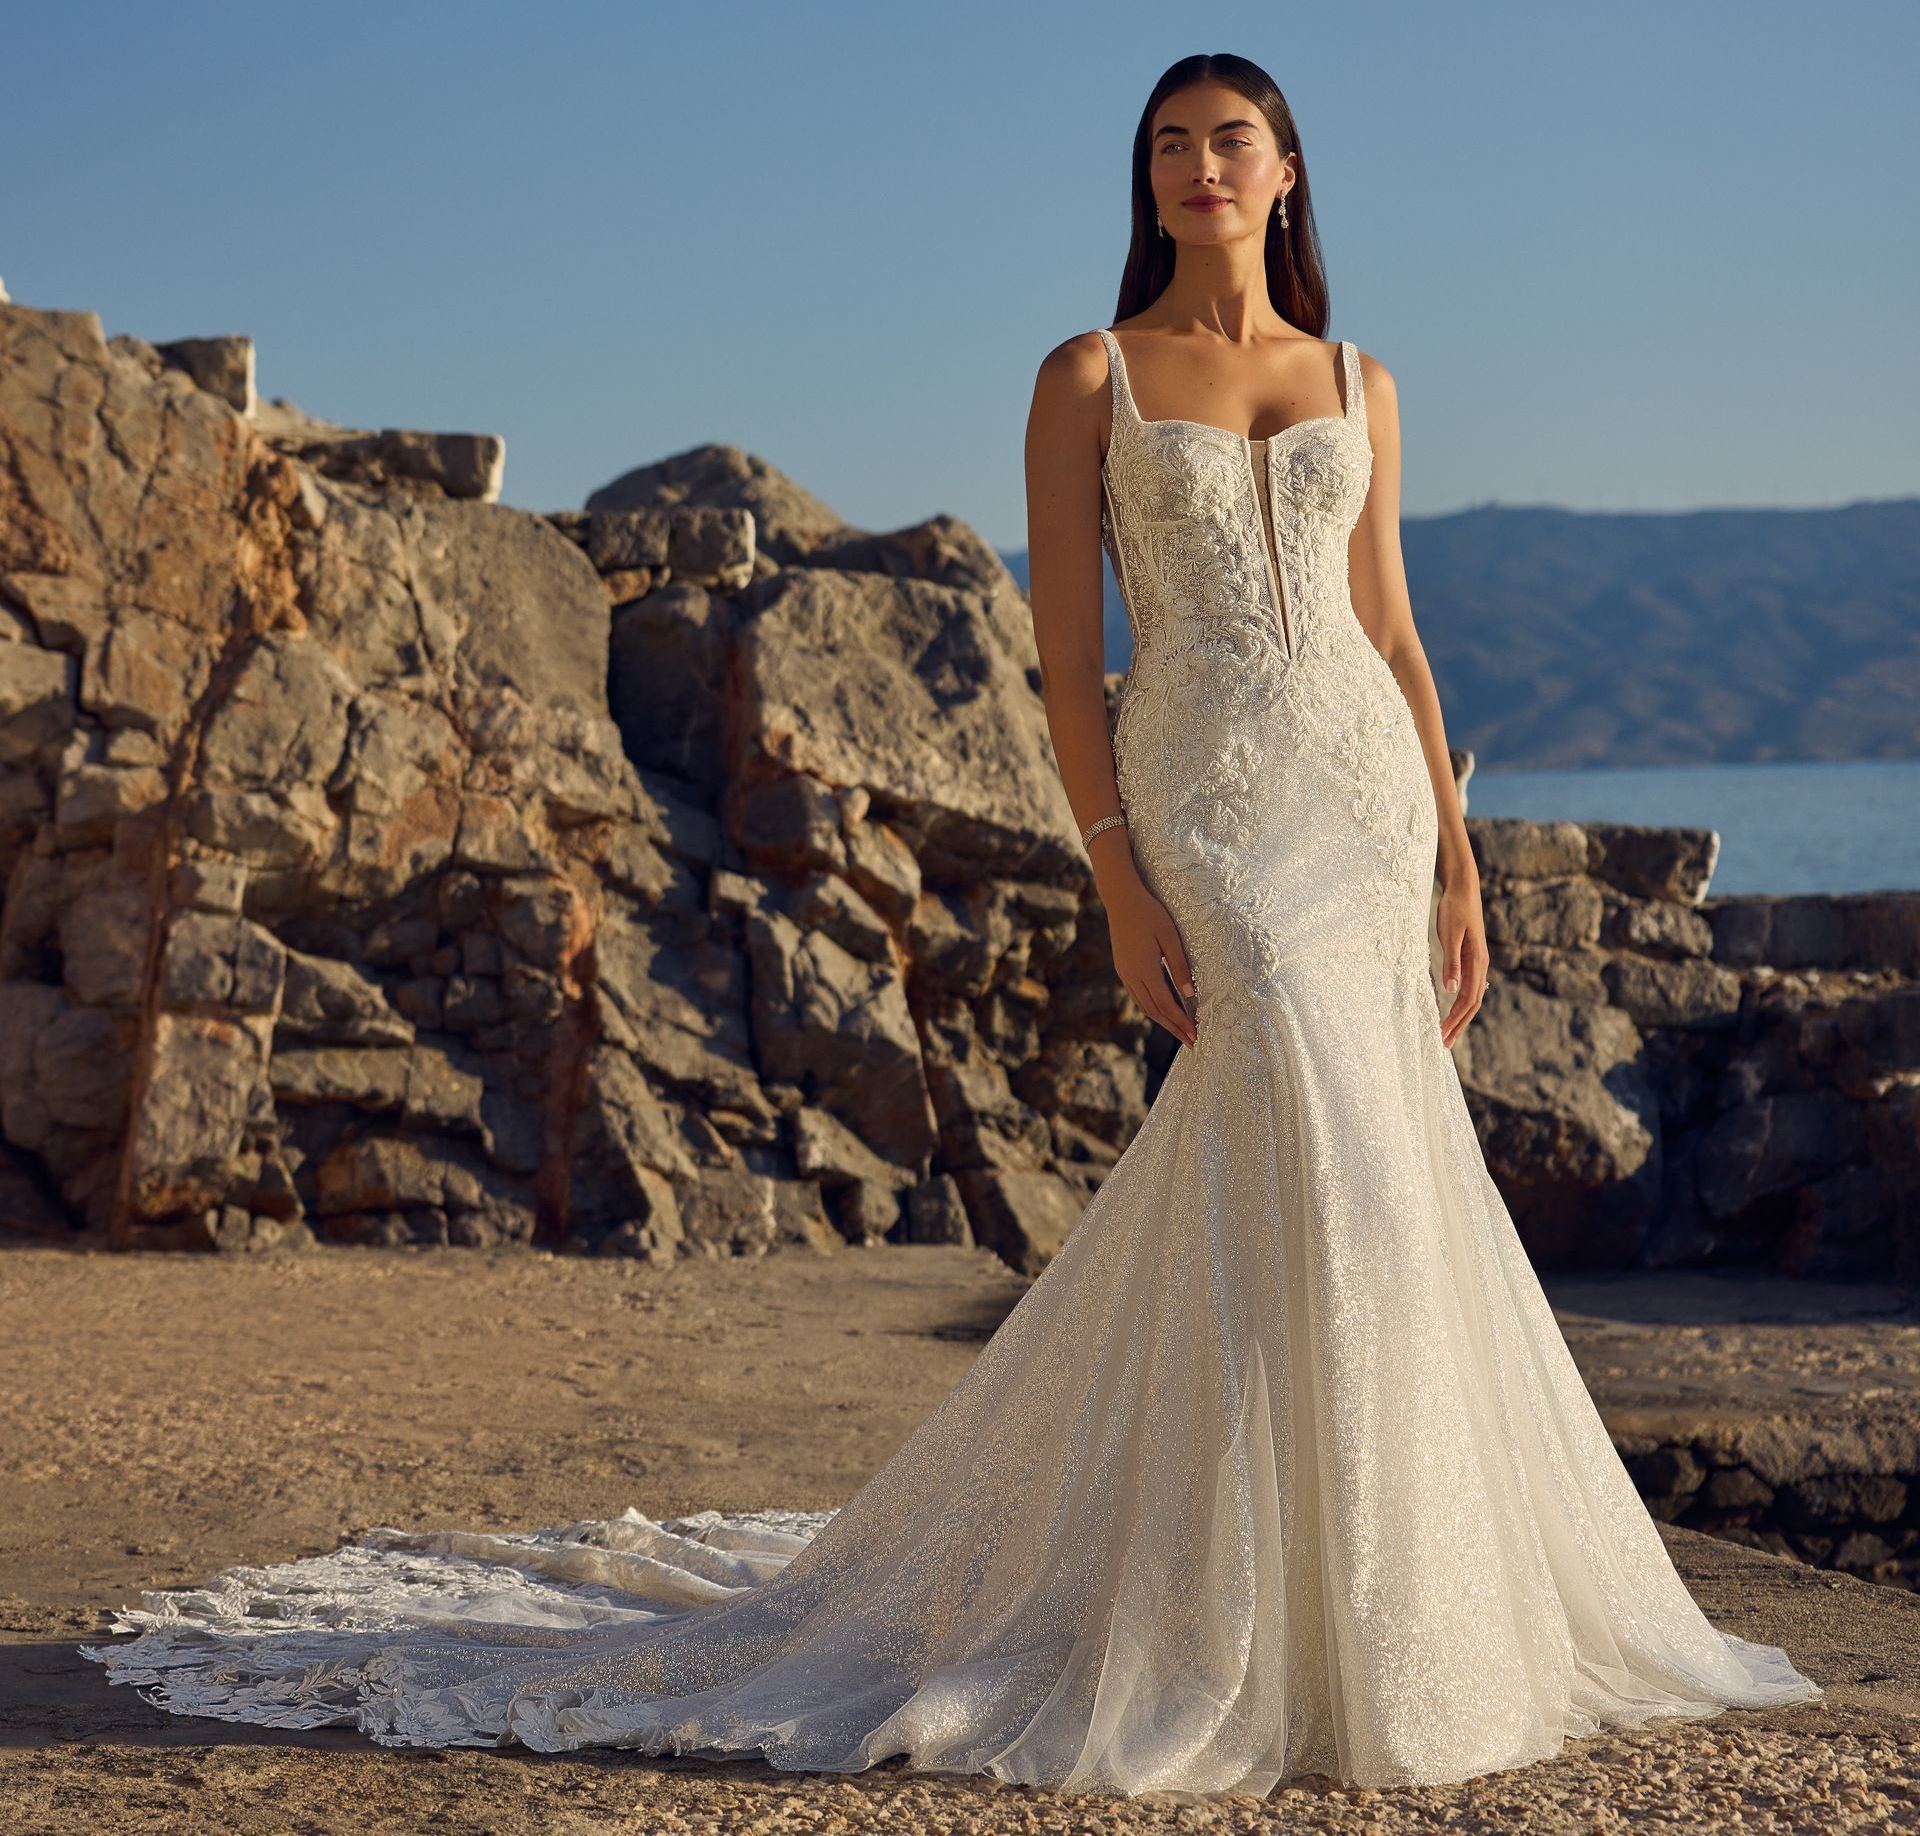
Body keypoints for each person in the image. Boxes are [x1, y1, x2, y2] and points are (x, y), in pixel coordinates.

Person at [82, 52, 1823, 1801]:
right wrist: (1120, 875)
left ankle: (1366, 1606)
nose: (1198, 167)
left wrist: (1456, 858)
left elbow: (1396, 629)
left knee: (1370, 1166)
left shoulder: (1360, 377)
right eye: (1167, 146)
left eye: (1231, 141)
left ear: (1289, 172)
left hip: (1366, 800)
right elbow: (1071, 656)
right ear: (1144, 182)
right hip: (1211, 799)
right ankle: (1222, 1610)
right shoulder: (1092, 376)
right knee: (1293, 1095)